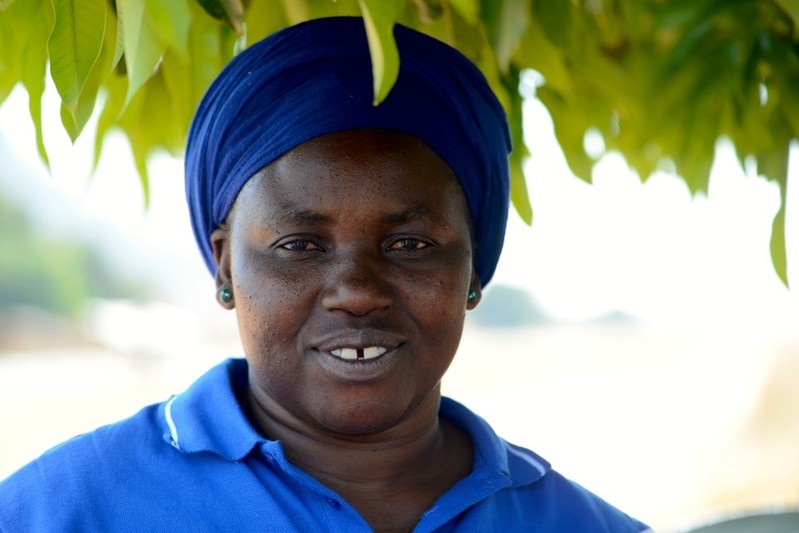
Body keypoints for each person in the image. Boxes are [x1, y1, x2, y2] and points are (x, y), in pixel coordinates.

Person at [0, 17, 650, 532]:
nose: (358, 290)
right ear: (225, 264)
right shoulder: (59, 510)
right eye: (300, 243)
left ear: (474, 267)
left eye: (410, 242)